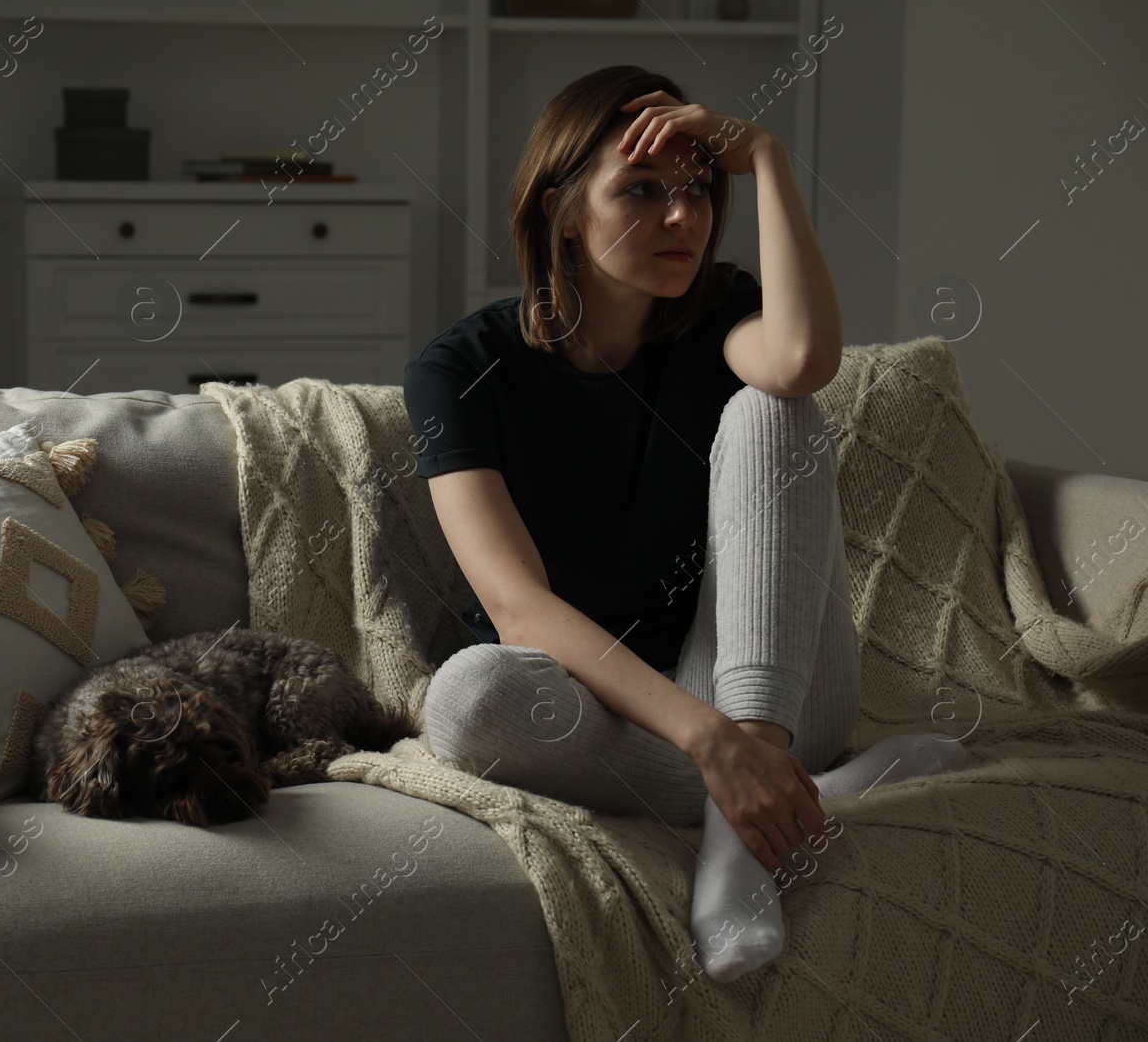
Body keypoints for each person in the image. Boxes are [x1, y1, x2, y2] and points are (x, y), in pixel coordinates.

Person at [404, 65, 965, 983]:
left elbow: (803, 358)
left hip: (774, 691)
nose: (684, 217)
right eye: (642, 189)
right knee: (466, 702)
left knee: (772, 408)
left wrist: (769, 157)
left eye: (701, 188)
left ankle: (741, 845)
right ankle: (789, 799)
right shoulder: (459, 367)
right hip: (609, 713)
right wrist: (711, 744)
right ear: (564, 212)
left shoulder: (723, 319)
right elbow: (517, 607)